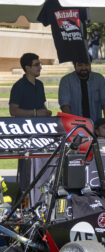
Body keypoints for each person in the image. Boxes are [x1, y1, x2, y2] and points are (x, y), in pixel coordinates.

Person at [9, 52, 52, 195]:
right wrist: (35, 113)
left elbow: (41, 106)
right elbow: (13, 110)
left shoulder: (40, 85)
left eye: (40, 64)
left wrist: (46, 113)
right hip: (25, 133)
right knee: (26, 168)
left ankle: (40, 194)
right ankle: (24, 197)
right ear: (27, 68)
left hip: (41, 132)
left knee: (41, 165)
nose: (40, 67)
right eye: (36, 64)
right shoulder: (18, 86)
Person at [58, 56, 105, 122]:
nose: (84, 68)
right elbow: (65, 105)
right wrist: (71, 125)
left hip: (95, 125)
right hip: (74, 125)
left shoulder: (99, 79)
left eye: (87, 65)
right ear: (74, 66)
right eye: (80, 65)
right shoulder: (66, 81)